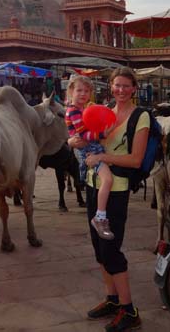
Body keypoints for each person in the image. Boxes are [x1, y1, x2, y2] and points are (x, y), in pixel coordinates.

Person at [70, 67, 147, 331]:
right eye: (117, 85)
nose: (121, 90)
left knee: (111, 250)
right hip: (95, 184)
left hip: (116, 189)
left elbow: (135, 159)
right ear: (110, 87)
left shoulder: (141, 116)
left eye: (126, 86)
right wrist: (74, 142)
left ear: (134, 88)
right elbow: (83, 136)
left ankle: (129, 310)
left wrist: (101, 157)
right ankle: (112, 299)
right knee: (98, 248)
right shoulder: (104, 110)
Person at [66, 75, 114, 241]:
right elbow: (83, 134)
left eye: (86, 91)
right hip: (89, 149)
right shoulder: (73, 111)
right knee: (107, 179)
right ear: (71, 91)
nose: (83, 94)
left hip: (90, 147)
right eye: (79, 90)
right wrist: (102, 133)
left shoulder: (83, 109)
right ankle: (100, 217)